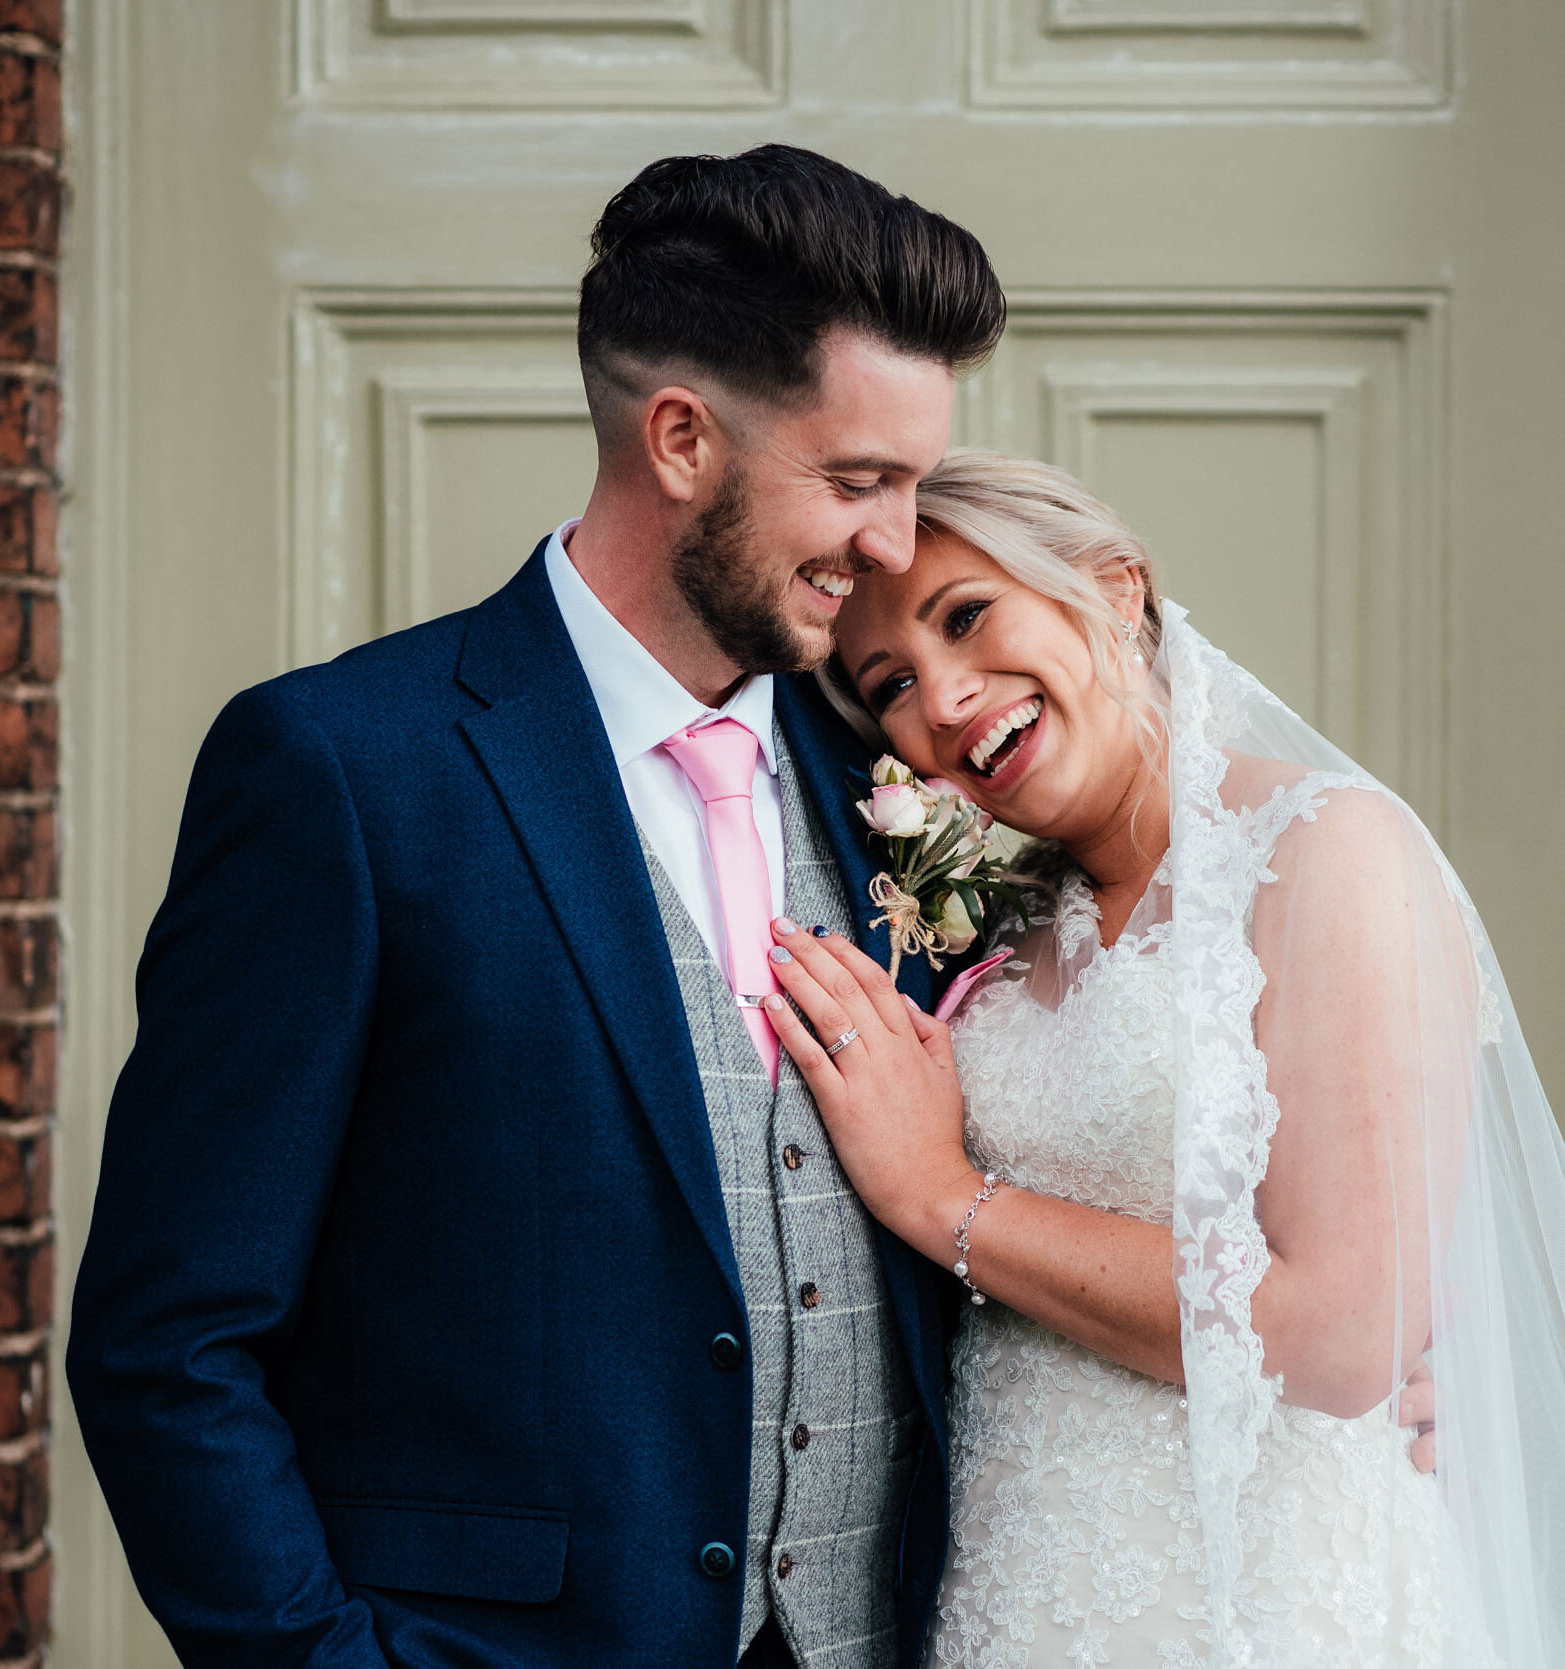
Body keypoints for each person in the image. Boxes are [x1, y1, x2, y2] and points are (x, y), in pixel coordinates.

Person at [66, 147, 1005, 1669]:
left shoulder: (894, 769)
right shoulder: (342, 770)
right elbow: (166, 1343)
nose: (897, 546)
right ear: (683, 437)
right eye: (857, 482)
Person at [753, 451, 1565, 1666]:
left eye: (968, 618)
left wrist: (942, 1198)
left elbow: (1344, 1335)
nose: (948, 698)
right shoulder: (994, 933)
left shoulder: (1336, 854)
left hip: (1267, 1601)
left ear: (1114, 588)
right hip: (1009, 1595)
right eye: (894, 685)